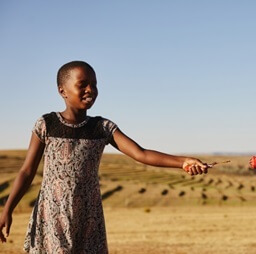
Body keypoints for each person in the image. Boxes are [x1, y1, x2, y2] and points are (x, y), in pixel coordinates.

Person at [0, 61, 209, 253]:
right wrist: (7, 210)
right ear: (62, 90)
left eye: (94, 84)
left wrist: (183, 161)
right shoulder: (46, 124)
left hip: (89, 216)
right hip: (53, 214)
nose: (90, 89)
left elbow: (141, 154)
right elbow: (27, 172)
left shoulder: (102, 127)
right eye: (82, 84)